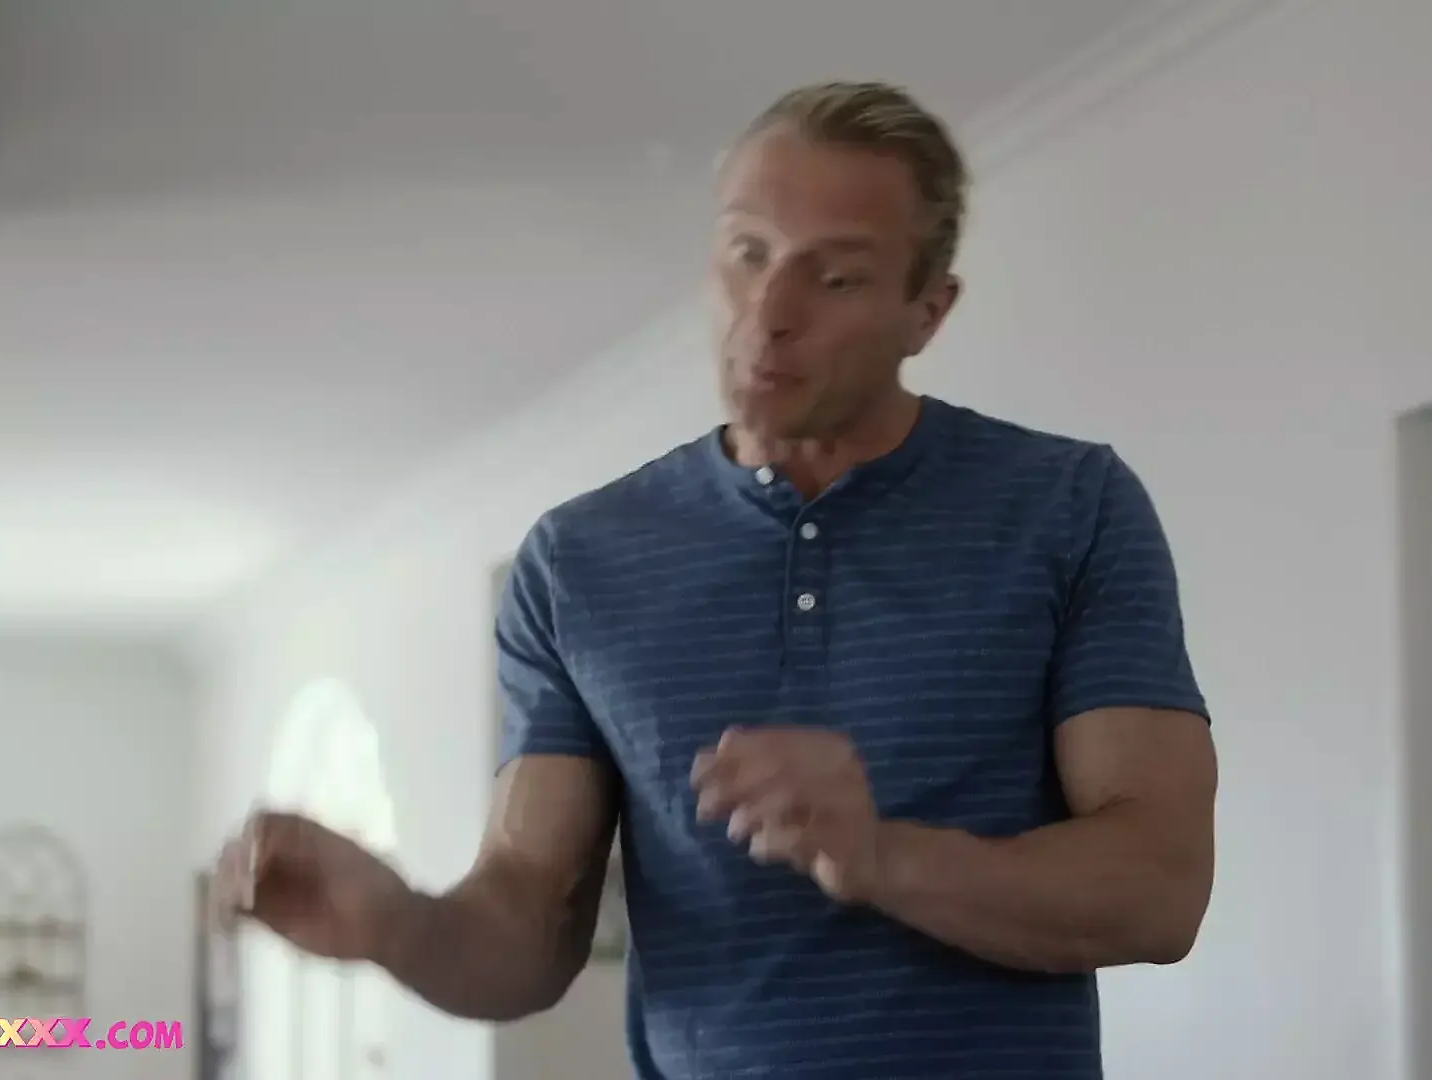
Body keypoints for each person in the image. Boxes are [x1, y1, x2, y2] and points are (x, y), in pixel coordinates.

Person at [215, 81, 1217, 1079]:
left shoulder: (1072, 507)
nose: (769, 313)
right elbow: (528, 916)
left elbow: (1161, 889)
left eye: (835, 278)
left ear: (927, 311)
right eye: (748, 252)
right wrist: (398, 926)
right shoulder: (576, 561)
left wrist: (882, 857)